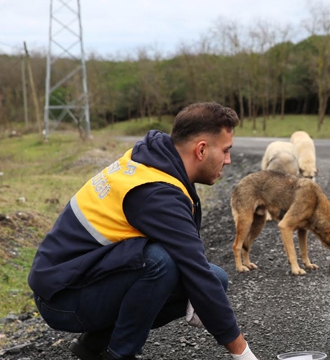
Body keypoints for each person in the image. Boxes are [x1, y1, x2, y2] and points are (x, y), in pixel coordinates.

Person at [28, 102, 258, 360]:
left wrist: (204, 293)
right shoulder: (155, 193)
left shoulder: (154, 158)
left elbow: (199, 268)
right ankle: (120, 354)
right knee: (161, 262)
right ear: (201, 150)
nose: (228, 161)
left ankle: (93, 346)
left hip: (81, 277)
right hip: (60, 298)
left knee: (214, 278)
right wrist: (243, 354)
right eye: (226, 151)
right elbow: (193, 268)